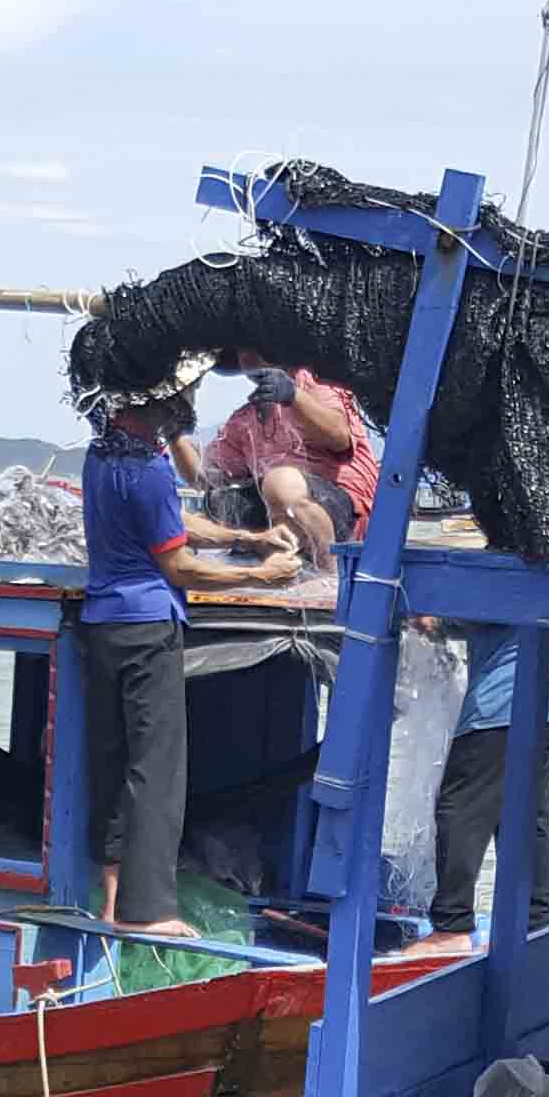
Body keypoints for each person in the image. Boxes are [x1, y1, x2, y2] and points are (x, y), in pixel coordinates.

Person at [81, 388, 299, 940]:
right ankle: (149, 909)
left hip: (103, 623)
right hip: (148, 627)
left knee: (113, 762)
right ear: (161, 399)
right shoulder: (150, 468)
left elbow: (174, 523)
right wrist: (260, 577)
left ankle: (109, 901)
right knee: (156, 768)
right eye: (183, 396)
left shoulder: (102, 454)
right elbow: (178, 564)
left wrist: (246, 538)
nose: (188, 404)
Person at [430, 624, 549, 938]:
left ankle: (450, 929)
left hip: (508, 689)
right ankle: (533, 924)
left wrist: (439, 619)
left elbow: (488, 606)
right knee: (523, 810)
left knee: (461, 808)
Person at [205, 360, 384, 581]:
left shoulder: (317, 387)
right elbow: (208, 475)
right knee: (219, 502)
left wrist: (293, 396)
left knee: (280, 482)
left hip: (345, 511)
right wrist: (176, 435)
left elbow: (339, 437)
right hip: (280, 510)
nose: (246, 356)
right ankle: (273, 565)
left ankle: (328, 576)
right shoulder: (244, 418)